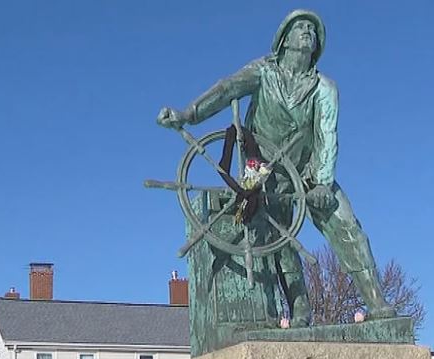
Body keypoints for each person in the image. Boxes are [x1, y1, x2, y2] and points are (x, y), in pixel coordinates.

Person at [157, 10, 396, 325]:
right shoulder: (263, 72)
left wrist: (323, 182)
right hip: (264, 171)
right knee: (275, 243)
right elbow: (226, 89)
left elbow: (327, 134)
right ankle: (299, 310)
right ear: (284, 40)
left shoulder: (324, 88)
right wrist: (188, 114)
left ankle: (377, 303)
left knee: (349, 229)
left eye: (313, 29)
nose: (308, 31)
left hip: (310, 173)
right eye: (300, 27)